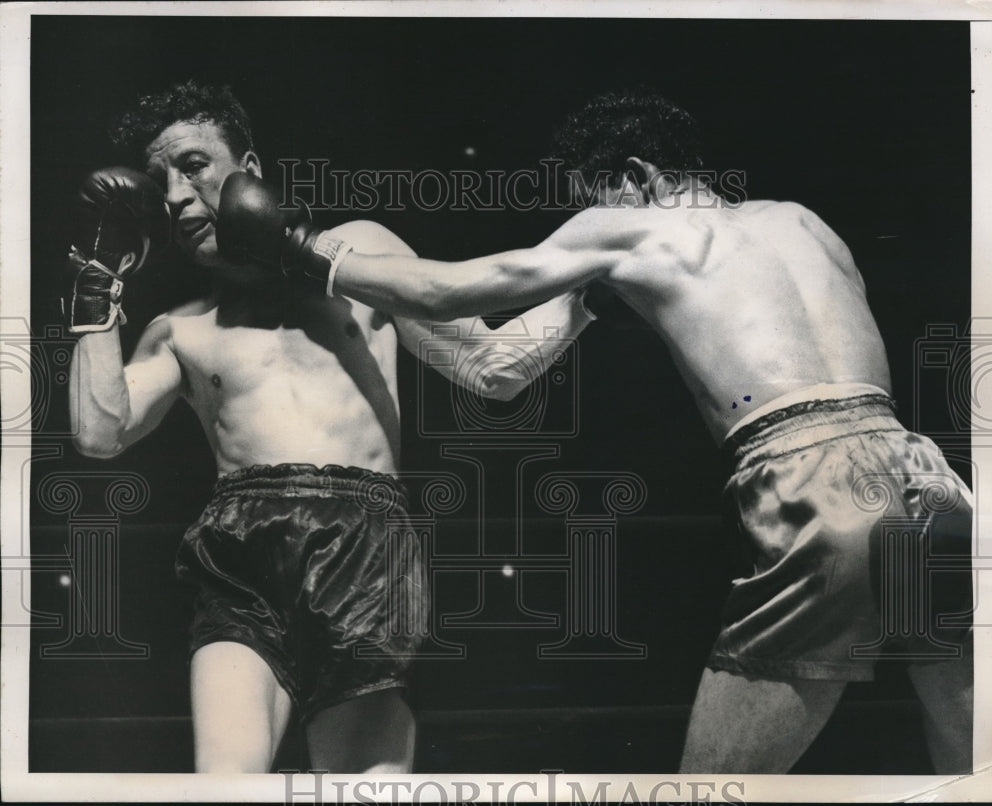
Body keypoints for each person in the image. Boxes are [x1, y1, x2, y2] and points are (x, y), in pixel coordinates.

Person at [223, 88, 974, 774]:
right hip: (928, 477)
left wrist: (301, 245)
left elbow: (448, 291)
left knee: (704, 793)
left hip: (812, 483)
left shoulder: (627, 225)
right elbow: (503, 369)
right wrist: (587, 303)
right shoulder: (802, 220)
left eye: (592, 196)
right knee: (976, 768)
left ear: (635, 176)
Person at [63, 80, 597, 774]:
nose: (172, 194)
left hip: (365, 546)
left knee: (364, 793)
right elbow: (99, 433)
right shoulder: (180, 329)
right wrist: (96, 280)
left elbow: (491, 366)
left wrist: (595, 274)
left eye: (192, 164)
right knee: (223, 787)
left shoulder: (356, 251)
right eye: (159, 178)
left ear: (248, 169)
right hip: (237, 554)